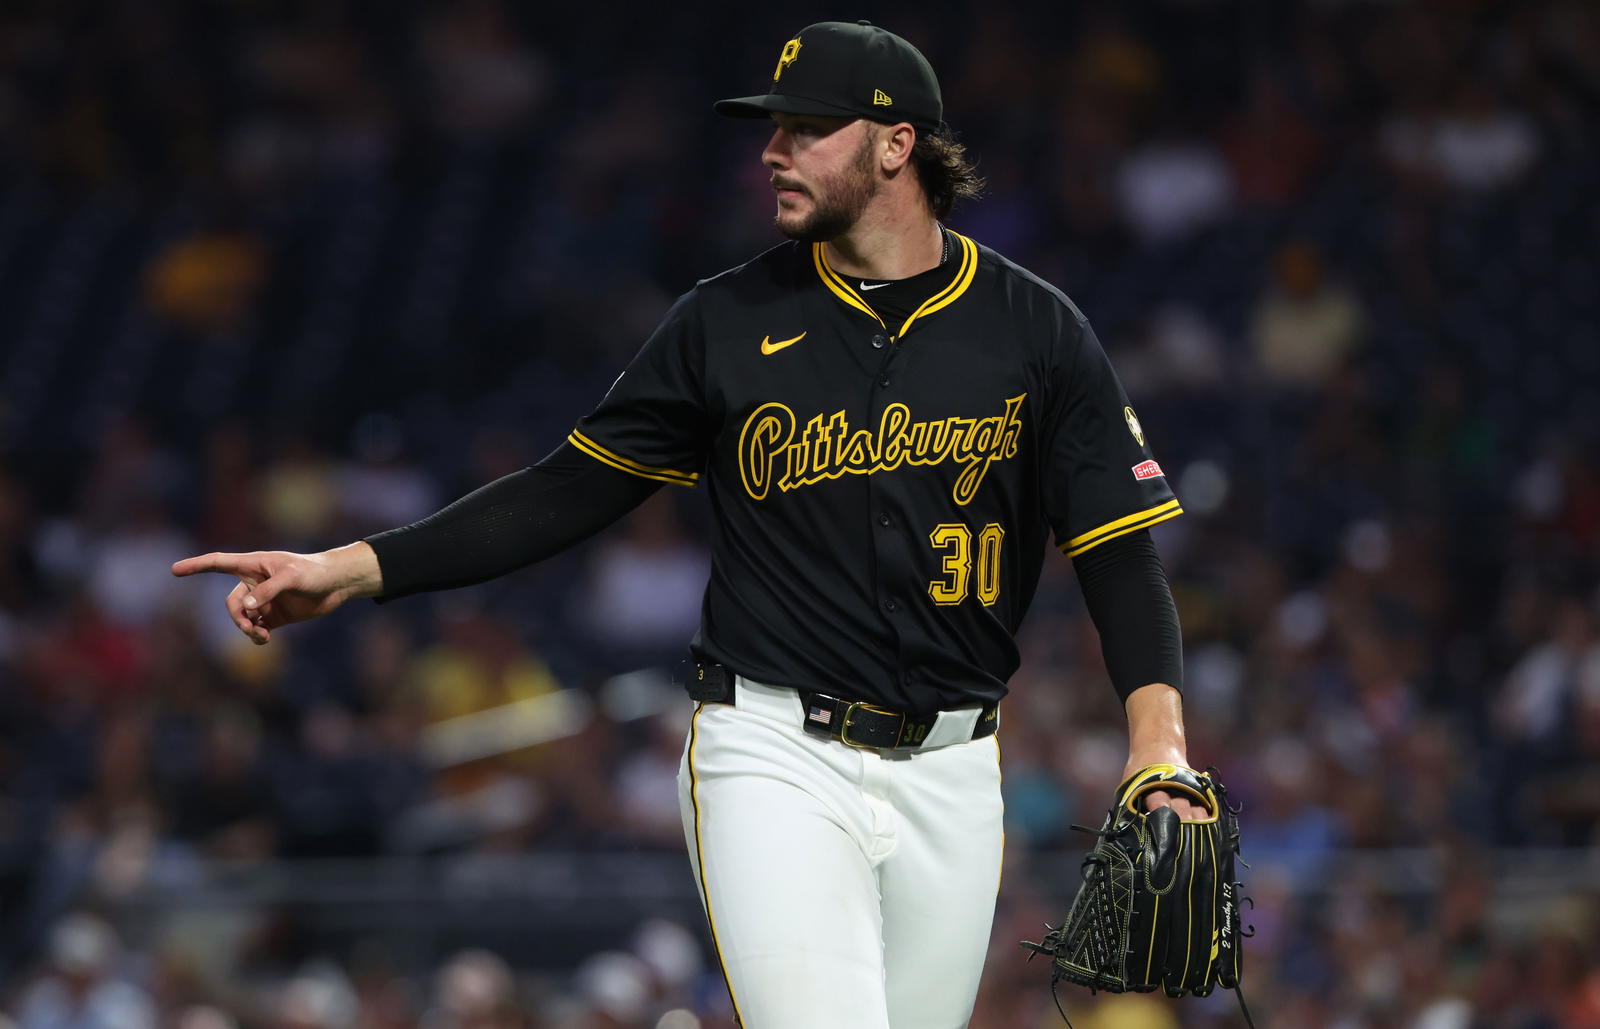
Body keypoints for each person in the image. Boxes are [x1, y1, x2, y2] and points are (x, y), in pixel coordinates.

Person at [174, 21, 1203, 1028]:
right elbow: (565, 489)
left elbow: (1118, 554)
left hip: (956, 767)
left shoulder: (1035, 329)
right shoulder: (727, 322)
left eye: (808, 127)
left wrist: (1156, 744)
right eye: (774, 127)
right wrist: (350, 567)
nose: (773, 150)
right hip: (774, 751)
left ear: (897, 145)